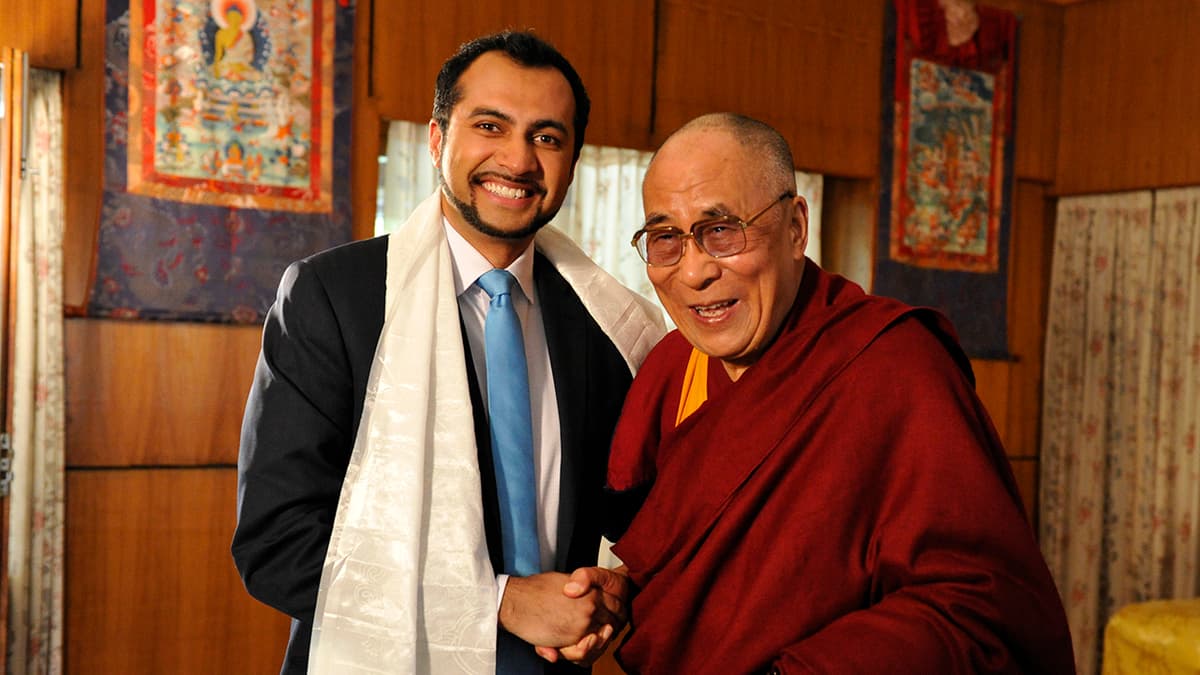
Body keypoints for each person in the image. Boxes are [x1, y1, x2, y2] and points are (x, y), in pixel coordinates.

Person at [231, 31, 664, 674]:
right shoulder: (333, 299)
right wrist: (495, 602)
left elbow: (630, 522)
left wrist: (609, 597)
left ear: (573, 161)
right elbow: (278, 543)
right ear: (437, 139)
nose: (517, 161)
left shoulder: (610, 324)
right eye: (490, 126)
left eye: (547, 137)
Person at [598, 113, 1076, 674]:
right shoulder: (670, 367)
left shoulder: (892, 367)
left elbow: (982, 606)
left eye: (722, 230)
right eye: (665, 239)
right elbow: (676, 560)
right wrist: (615, 593)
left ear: (797, 228)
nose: (695, 271)